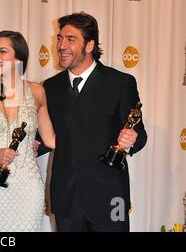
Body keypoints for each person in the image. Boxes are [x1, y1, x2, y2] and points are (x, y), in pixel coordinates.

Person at [44, 12, 147, 232]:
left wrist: (133, 139)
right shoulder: (50, 87)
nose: (61, 45)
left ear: (89, 45)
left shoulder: (119, 83)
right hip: (66, 197)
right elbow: (47, 136)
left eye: (70, 39)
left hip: (111, 196)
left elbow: (139, 134)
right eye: (60, 38)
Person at [0, 30, 55, 232]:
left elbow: (51, 139)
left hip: (28, 186)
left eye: (3, 51)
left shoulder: (37, 91)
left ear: (19, 57)